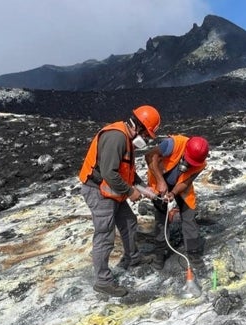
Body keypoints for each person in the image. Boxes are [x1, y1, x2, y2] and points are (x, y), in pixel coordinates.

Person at [79, 105, 161, 297]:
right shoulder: (116, 137)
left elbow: (127, 171)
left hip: (112, 191)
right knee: (105, 236)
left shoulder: (126, 138)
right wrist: (131, 191)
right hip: (98, 191)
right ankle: (102, 281)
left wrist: (143, 187)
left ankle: (133, 257)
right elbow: (109, 173)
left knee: (129, 223)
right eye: (147, 134)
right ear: (139, 127)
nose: (147, 139)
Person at [145, 135, 209, 272]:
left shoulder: (201, 163)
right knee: (161, 219)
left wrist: (173, 193)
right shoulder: (173, 144)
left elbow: (186, 182)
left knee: (189, 218)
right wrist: (160, 181)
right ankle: (159, 256)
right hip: (159, 181)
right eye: (188, 160)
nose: (189, 165)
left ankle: (194, 255)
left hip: (181, 187)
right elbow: (150, 156)